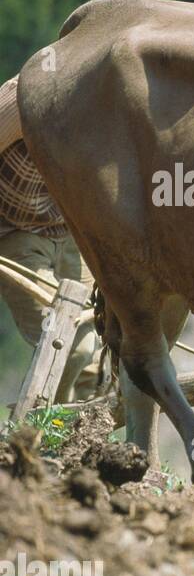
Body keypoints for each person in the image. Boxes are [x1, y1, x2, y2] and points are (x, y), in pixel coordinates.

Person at [0, 75, 99, 404]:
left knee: (97, 358)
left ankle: (84, 444)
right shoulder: (25, 100)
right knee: (68, 346)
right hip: (17, 236)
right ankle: (42, 425)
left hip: (72, 235)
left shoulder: (114, 107)